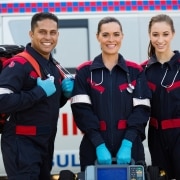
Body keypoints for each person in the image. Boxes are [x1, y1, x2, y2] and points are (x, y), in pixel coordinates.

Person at [71, 16, 151, 171]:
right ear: (98, 37)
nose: (111, 39)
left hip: (131, 147)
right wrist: (99, 144)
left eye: (116, 34)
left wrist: (127, 143)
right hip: (93, 148)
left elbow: (142, 110)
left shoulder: (135, 71)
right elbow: (81, 111)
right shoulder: (85, 72)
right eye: (105, 35)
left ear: (122, 36)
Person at [0, 12, 74, 180]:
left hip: (44, 144)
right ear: (31, 34)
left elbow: (46, 105)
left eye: (52, 32)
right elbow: (2, 101)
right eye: (42, 32)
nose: (48, 37)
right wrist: (38, 92)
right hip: (21, 145)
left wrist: (64, 95)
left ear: (58, 35)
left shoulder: (52, 66)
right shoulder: (19, 64)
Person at [141, 14, 180, 179]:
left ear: (173, 34)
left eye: (165, 34)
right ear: (149, 35)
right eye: (155, 34)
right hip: (156, 137)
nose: (160, 39)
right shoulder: (143, 71)